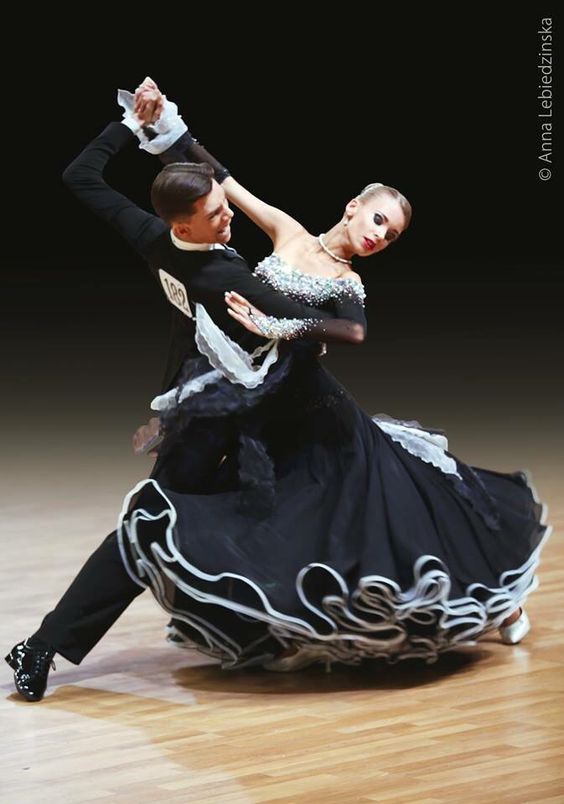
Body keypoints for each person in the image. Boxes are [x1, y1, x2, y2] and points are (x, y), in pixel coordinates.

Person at [112, 82, 550, 673]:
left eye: (390, 235)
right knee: (301, 519)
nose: (378, 236)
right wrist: (166, 127)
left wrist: (278, 325)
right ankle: (267, 623)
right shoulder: (288, 233)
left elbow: (355, 333)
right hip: (261, 401)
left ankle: (499, 602)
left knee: (402, 510)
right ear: (352, 206)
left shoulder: (349, 284)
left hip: (316, 409)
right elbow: (224, 182)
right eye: (377, 220)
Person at [4, 80, 365, 702]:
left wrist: (133, 124)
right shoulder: (223, 273)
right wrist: (286, 323)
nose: (228, 216)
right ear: (187, 224)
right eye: (216, 214)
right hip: (220, 415)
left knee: (257, 517)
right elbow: (342, 325)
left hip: (215, 395)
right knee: (155, 520)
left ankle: (248, 630)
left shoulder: (153, 236)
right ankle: (42, 646)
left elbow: (80, 175)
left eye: (224, 207)